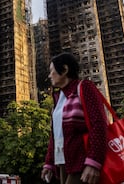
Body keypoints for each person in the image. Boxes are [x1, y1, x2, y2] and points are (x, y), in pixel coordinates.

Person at [41, 52, 108, 184]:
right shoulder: (58, 97)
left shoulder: (84, 87)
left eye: (52, 71)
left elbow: (99, 124)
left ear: (65, 69)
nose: (49, 75)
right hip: (63, 163)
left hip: (83, 161)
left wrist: (94, 161)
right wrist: (49, 163)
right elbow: (55, 135)